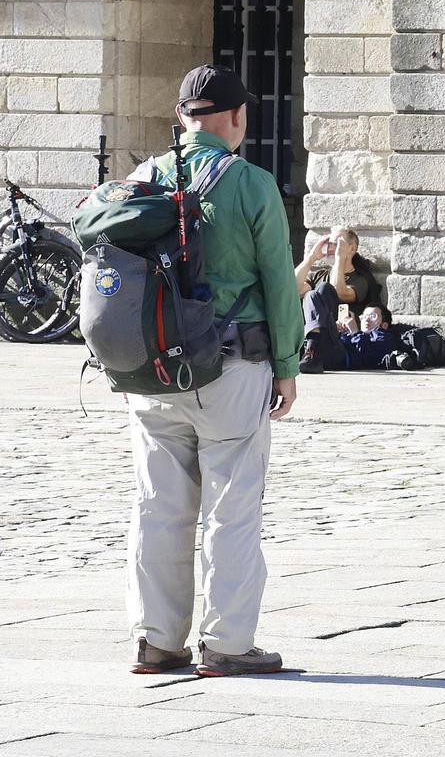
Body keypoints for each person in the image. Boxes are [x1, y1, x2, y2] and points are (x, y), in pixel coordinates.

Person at [125, 64, 302, 676]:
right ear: (236, 117)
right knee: (232, 506)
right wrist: (286, 365)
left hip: (151, 371)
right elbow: (280, 280)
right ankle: (227, 645)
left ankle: (156, 640)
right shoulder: (250, 183)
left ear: (181, 117)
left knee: (158, 506)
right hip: (231, 366)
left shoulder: (143, 177)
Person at [295, 226, 371, 374]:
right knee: (310, 295)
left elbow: (338, 291)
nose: (330, 248)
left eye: (337, 243)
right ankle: (312, 348)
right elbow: (292, 291)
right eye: (329, 244)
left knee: (323, 289)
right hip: (315, 352)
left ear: (351, 248)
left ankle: (312, 348)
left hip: (340, 346)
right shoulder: (319, 275)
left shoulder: (362, 279)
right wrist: (311, 257)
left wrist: (340, 258)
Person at [339, 306, 399, 370]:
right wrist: (339, 331)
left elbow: (369, 358)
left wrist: (355, 332)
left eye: (372, 316)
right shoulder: (358, 335)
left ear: (384, 325)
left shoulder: (385, 338)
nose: (366, 320)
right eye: (364, 316)